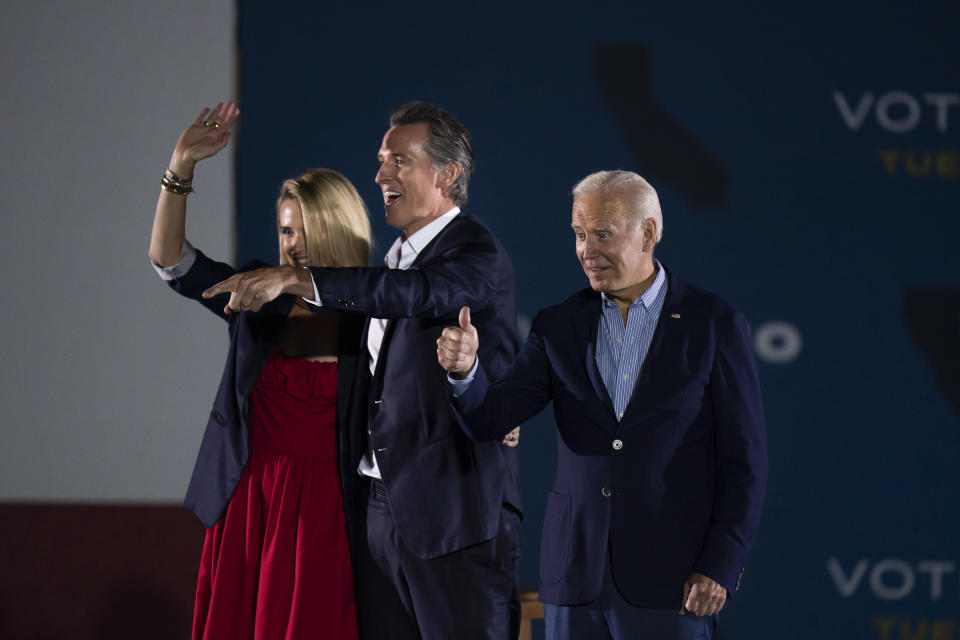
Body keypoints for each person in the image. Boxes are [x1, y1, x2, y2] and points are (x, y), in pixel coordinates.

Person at [201, 101, 523, 640]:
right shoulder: (397, 258)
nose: (381, 175)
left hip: (453, 522)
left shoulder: (474, 252)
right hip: (380, 516)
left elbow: (417, 295)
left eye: (399, 160)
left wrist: (298, 279)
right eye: (380, 160)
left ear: (447, 174)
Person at [436, 170, 768, 640]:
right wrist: (464, 371)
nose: (586, 250)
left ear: (648, 232)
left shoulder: (712, 324)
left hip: (674, 584)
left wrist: (721, 565)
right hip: (574, 581)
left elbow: (744, 462)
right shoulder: (558, 326)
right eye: (579, 234)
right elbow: (491, 418)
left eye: (603, 234)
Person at [148, 102, 373, 640]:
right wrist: (180, 167)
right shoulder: (255, 292)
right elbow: (171, 263)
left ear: (338, 231)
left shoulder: (375, 309)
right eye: (285, 230)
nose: (291, 244)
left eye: (304, 230)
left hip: (333, 513)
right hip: (251, 503)